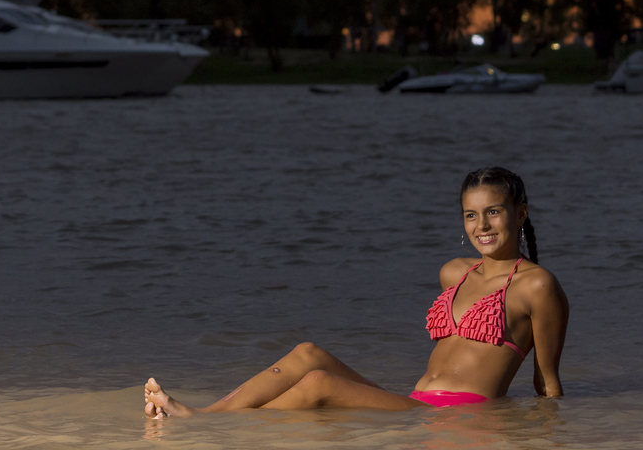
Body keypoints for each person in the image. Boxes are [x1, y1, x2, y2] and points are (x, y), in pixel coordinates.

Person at [144, 167, 569, 418]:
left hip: (457, 420)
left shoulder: (536, 285)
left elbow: (546, 385)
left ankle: (201, 424)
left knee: (318, 383)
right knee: (308, 352)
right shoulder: (453, 273)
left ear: (521, 213)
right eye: (471, 215)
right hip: (415, 405)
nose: (482, 226)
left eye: (494, 212)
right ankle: (204, 416)